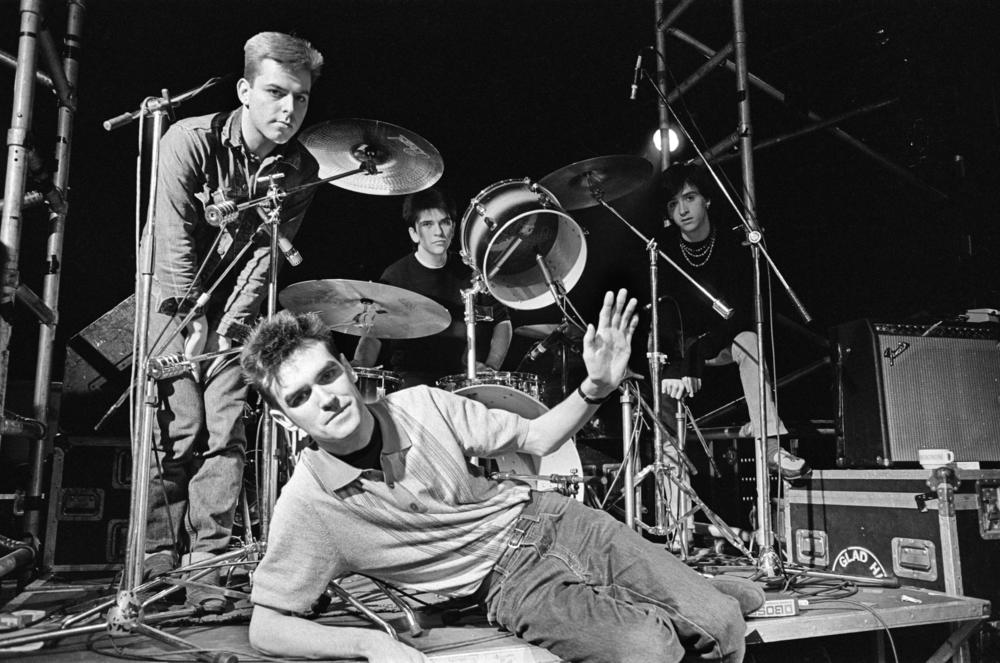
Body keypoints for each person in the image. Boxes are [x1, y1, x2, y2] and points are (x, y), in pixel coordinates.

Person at [240, 290, 756, 663]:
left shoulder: (421, 405)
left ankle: (694, 596)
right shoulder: (308, 504)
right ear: (286, 418)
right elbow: (266, 626)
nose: (325, 398)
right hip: (504, 584)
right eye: (300, 396)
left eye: (327, 375)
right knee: (650, 650)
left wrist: (596, 386)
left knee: (723, 626)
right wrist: (369, 643)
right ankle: (679, 592)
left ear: (350, 370)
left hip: (549, 518)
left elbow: (538, 439)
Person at [140, 31, 324, 611]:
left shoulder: (301, 169)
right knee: (178, 429)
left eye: (300, 97)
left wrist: (231, 328)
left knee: (225, 431)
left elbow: (268, 254)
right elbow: (172, 238)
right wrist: (189, 312)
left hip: (233, 307)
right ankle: (153, 567)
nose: (288, 109)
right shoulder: (186, 140)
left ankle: (207, 570)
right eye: (274, 92)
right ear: (245, 90)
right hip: (171, 294)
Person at [654, 163, 808, 480]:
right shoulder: (665, 252)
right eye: (673, 204)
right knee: (653, 351)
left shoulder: (732, 246)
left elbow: (741, 317)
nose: (682, 210)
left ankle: (771, 448)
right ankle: (670, 459)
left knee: (750, 340)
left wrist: (700, 353)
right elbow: (665, 316)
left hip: (722, 342)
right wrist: (680, 361)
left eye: (690, 198)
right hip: (683, 346)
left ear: (707, 200)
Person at [352, 187, 512, 387]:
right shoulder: (394, 277)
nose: (438, 232)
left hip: (462, 381)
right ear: (414, 234)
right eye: (428, 224)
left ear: (453, 229)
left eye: (444, 223)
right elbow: (373, 335)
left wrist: (491, 367)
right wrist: (359, 365)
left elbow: (502, 322)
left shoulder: (472, 272)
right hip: (411, 382)